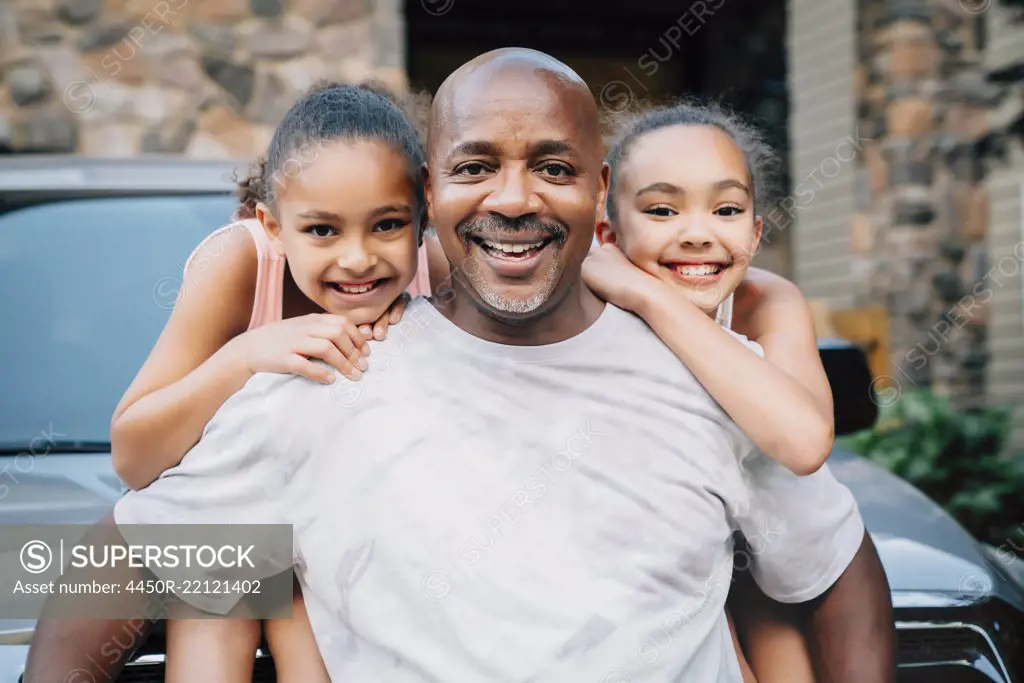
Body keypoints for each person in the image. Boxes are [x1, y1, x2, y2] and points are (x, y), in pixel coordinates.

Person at [25, 48, 895, 683]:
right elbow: (127, 550)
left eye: (551, 168)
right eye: (477, 167)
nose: (513, 200)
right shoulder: (329, 374)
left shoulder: (710, 376)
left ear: (598, 191)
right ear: (431, 193)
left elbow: (836, 560)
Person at [107, 80, 436, 683]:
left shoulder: (433, 281)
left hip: (350, 543)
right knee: (222, 591)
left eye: (387, 224)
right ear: (273, 225)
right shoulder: (239, 263)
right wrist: (245, 355)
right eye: (322, 231)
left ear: (425, 215)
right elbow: (132, 459)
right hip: (227, 536)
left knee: (308, 597)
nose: (358, 258)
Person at [583, 100, 835, 682]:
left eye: (725, 209)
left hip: (815, 556)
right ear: (608, 232)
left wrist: (655, 297)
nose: (698, 235)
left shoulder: (767, 300)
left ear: (755, 229)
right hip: (699, 561)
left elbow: (805, 441)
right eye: (664, 210)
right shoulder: (583, 317)